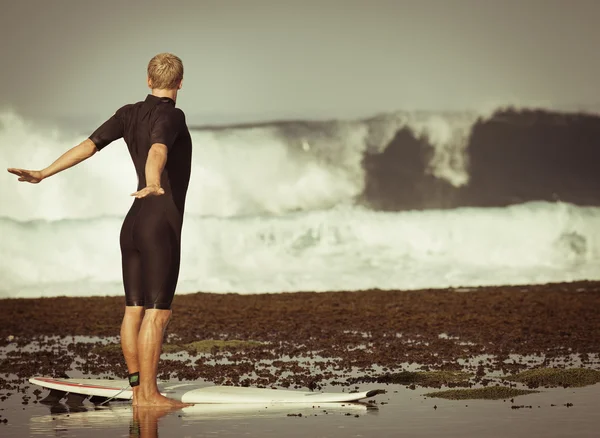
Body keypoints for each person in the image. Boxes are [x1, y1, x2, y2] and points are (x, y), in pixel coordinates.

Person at [7, 53, 193, 407]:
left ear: (148, 80)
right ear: (181, 83)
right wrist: (154, 182)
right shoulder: (173, 115)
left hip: (133, 224)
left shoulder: (127, 113)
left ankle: (138, 389)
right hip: (159, 225)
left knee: (132, 310)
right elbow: (157, 148)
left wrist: (44, 173)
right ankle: (150, 397)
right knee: (158, 312)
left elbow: (88, 146)